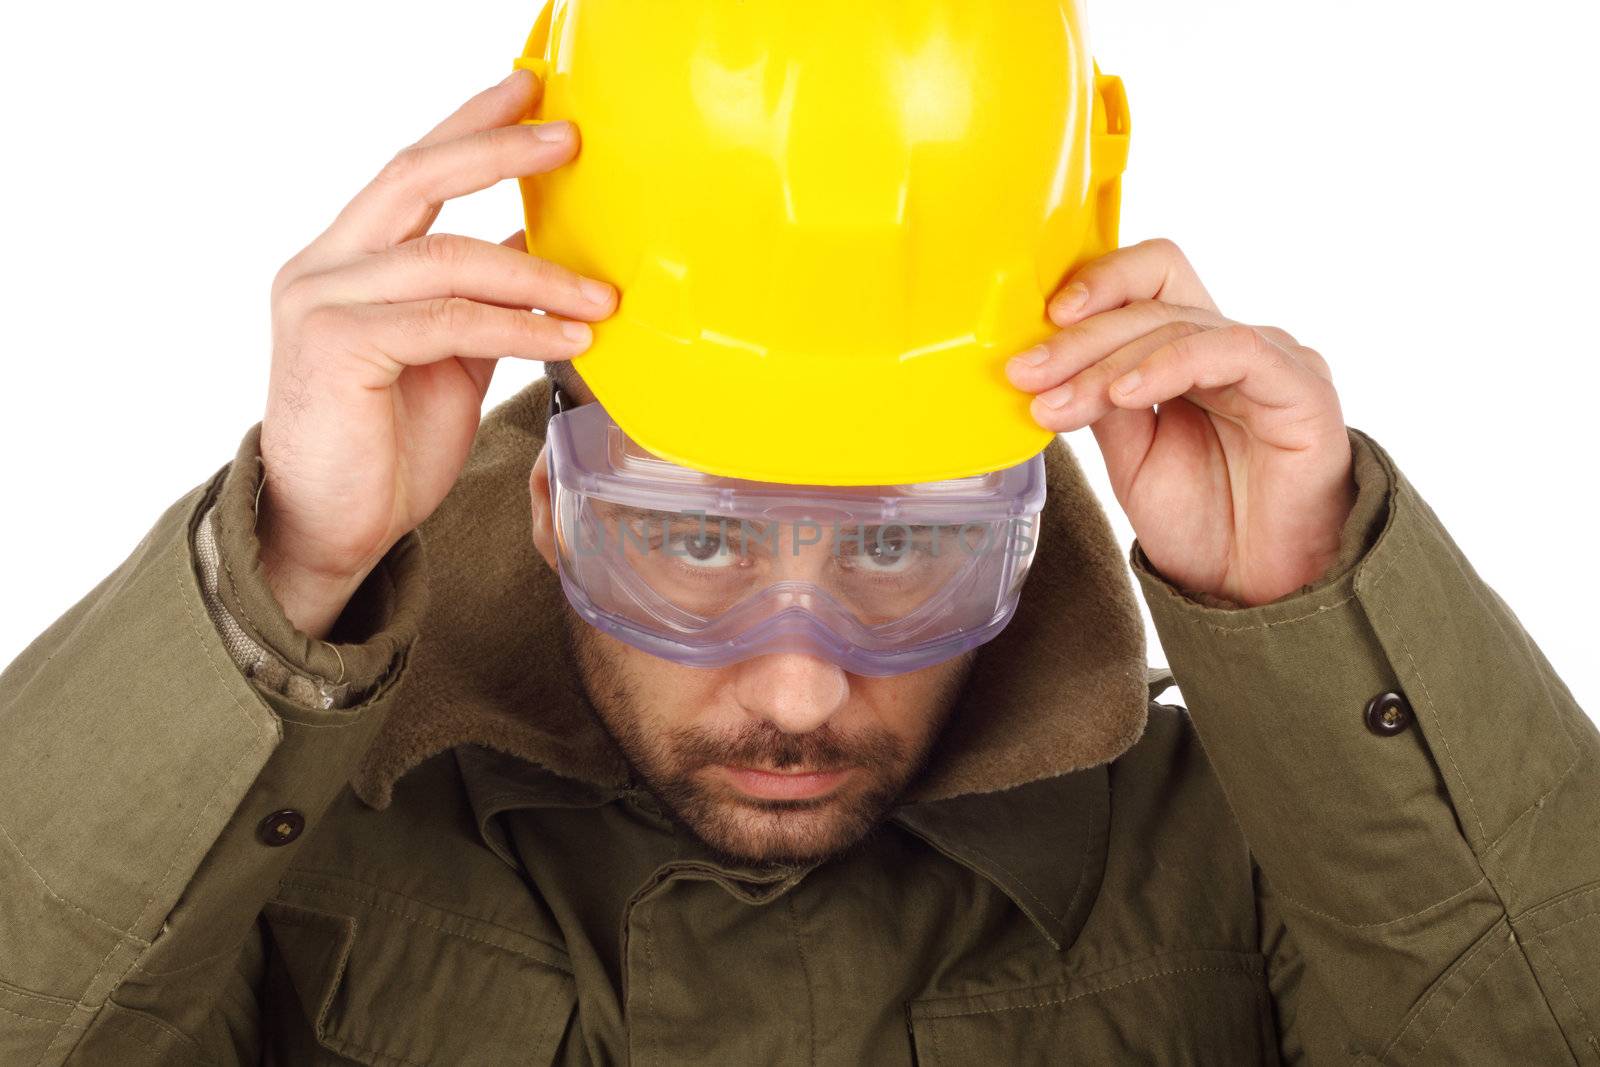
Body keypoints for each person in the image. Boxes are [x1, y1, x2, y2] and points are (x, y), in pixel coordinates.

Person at [3, 58, 1597, 1067]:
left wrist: (1309, 611)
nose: (795, 680)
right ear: (553, 504)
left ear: (1030, 522)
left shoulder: (1262, 865)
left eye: (903, 544)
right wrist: (281, 571)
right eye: (690, 540)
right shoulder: (288, 848)